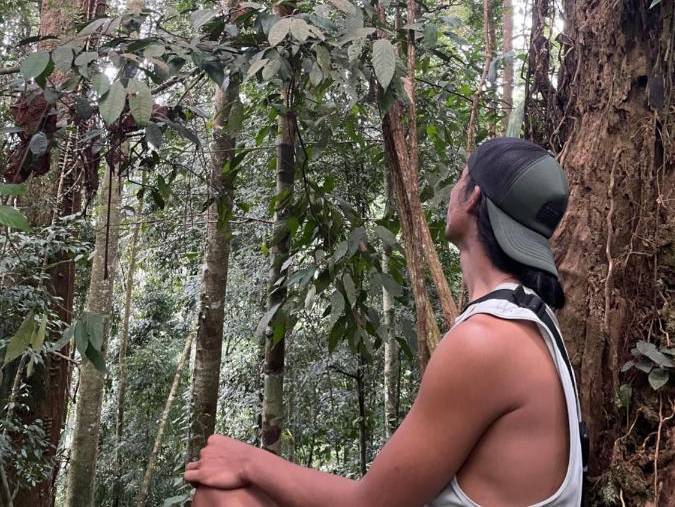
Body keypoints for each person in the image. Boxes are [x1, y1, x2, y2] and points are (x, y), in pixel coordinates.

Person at [185, 137, 585, 507]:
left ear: (471, 198)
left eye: (461, 178)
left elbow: (370, 504)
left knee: (223, 494)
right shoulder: (533, 319)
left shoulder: (487, 341)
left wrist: (248, 460)